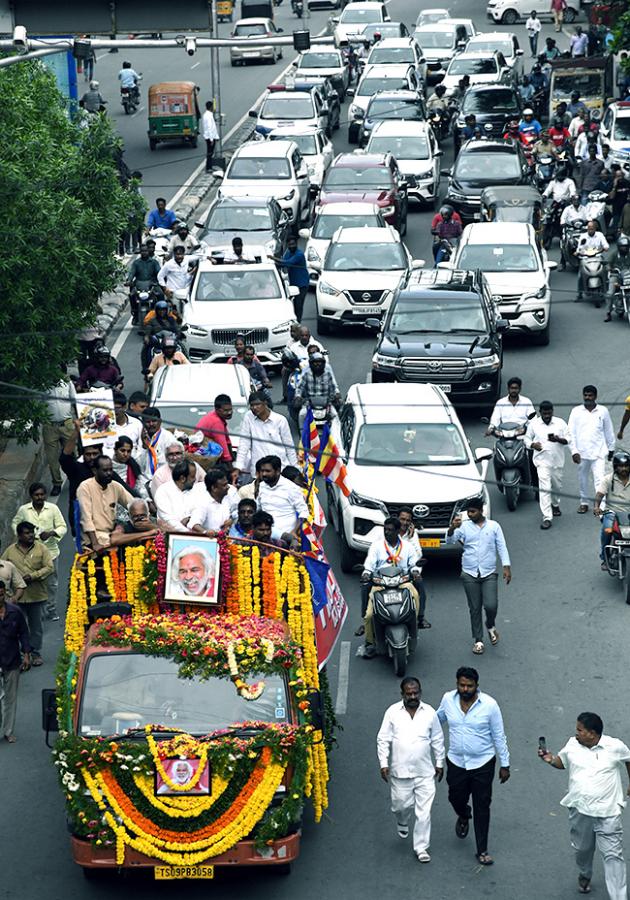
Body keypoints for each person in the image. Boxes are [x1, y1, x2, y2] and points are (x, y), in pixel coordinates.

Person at [539, 712, 630, 898]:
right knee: (582, 850)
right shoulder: (572, 744)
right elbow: (562, 762)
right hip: (580, 811)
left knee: (613, 857)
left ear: (592, 733)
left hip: (608, 812)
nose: (576, 733)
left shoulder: (615, 746)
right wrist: (550, 759)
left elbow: (628, 760)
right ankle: (585, 873)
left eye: (580, 730)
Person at [437, 667, 510, 867]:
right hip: (456, 762)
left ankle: (482, 849)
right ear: (457, 684)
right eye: (462, 685)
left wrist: (505, 764)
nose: (466, 689)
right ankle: (463, 814)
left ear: (477, 686)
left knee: (482, 805)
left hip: (483, 763)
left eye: (470, 686)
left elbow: (499, 735)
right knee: (455, 797)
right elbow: (437, 721)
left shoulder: (490, 705)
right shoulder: (447, 700)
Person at [376, 677, 445, 863]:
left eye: (416, 693)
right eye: (409, 694)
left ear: (420, 692)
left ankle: (421, 848)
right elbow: (383, 739)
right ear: (402, 694)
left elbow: (437, 739)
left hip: (425, 772)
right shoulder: (392, 712)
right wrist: (384, 763)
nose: (413, 696)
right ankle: (402, 820)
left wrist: (439, 762)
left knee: (424, 813)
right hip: (400, 772)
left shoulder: (430, 713)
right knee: (400, 806)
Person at [446, 498, 511, 655]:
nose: (470, 514)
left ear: (481, 511)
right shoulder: (463, 527)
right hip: (469, 573)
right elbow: (449, 541)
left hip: (489, 573)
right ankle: (479, 640)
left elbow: (501, 546)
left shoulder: (494, 526)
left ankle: (490, 624)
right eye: (468, 512)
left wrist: (506, 566)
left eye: (473, 511)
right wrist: (451, 528)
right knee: (474, 608)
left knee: (491, 605)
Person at [360, 517, 421, 657]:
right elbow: (369, 565)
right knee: (369, 615)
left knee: (415, 596)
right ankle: (370, 642)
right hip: (380, 584)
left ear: (398, 531)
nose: (387, 533)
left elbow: (414, 564)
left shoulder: (408, 547)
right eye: (385, 530)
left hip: (402, 583)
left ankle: (414, 626)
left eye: (390, 530)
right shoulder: (377, 546)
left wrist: (415, 571)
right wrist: (366, 573)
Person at [12, 484, 66, 622]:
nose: (39, 497)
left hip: (51, 552)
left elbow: (62, 526)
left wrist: (51, 533)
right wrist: (23, 536)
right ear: (31, 496)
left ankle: (51, 609)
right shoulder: (24, 510)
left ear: (45, 495)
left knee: (52, 583)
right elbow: (15, 523)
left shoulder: (53, 509)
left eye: (42, 494)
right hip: (30, 554)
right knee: (34, 582)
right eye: (36, 495)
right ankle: (36, 611)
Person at [2, 523, 53, 667]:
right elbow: (3, 568)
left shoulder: (41, 548)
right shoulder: (10, 551)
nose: (31, 535)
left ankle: (35, 653)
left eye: (32, 532)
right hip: (16, 598)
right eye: (26, 533)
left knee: (36, 627)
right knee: (17, 627)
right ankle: (21, 654)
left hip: (36, 595)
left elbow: (49, 567)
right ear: (19, 535)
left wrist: (33, 576)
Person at [568, 385, 615, 513]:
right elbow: (570, 433)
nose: (588, 397)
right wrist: (574, 451)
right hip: (581, 453)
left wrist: (611, 448)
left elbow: (608, 430)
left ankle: (601, 506)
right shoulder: (576, 411)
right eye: (586, 395)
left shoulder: (603, 411)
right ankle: (584, 502)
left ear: (595, 396)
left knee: (600, 479)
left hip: (599, 452)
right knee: (582, 479)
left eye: (590, 395)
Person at [524, 401, 569, 529]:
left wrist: (558, 439)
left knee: (556, 487)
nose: (547, 415)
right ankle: (547, 517)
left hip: (557, 462)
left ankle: (555, 504)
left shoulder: (560, 423)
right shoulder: (534, 424)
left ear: (552, 411)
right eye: (545, 413)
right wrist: (533, 445)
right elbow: (526, 439)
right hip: (541, 462)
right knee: (545, 488)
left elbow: (569, 439)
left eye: (549, 413)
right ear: (540, 412)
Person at [234, 392, 297, 479]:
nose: (254, 408)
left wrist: (295, 468)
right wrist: (238, 466)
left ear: (265, 403)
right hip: (260, 473)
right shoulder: (248, 417)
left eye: (257, 404)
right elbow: (244, 444)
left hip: (279, 470)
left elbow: (289, 446)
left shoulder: (280, 420)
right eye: (252, 405)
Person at [77, 455, 133, 551]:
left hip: (113, 534)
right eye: (105, 470)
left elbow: (133, 504)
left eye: (111, 470)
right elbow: (86, 518)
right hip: (94, 538)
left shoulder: (115, 486)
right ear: (95, 471)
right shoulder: (85, 487)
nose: (109, 473)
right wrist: (95, 544)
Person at [0, 580, 31, 743]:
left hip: (12, 660)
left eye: (1, 593)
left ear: (5, 593)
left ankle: (8, 731)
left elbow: (24, 633)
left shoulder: (15, 612)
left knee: (10, 698)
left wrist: (26, 654)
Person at [256, 455, 308, 544]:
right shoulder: (261, 486)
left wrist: (294, 532)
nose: (264, 474)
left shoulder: (291, 488)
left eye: (267, 471)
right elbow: (258, 508)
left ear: (278, 471)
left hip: (286, 540)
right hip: (264, 538)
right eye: (262, 471)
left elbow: (304, 512)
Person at [594, 451, 630, 572]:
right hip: (611, 513)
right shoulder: (608, 479)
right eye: (621, 466)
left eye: (626, 466)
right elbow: (599, 495)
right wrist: (596, 507)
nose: (624, 469)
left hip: (629, 514)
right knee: (607, 529)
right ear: (615, 467)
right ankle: (605, 557)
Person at [42, 371, 76, 495]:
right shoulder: (42, 385)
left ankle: (75, 479)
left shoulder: (67, 383)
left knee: (72, 454)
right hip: (50, 426)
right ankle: (57, 483)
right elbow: (37, 404)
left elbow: (75, 400)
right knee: (52, 458)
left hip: (67, 425)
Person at [398, 507, 430, 629]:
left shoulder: (412, 535)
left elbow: (418, 555)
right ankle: (366, 621)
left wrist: (411, 538)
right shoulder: (389, 532)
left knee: (420, 588)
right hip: (389, 572)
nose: (404, 523)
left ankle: (420, 618)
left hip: (408, 571)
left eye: (407, 520)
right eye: (402, 519)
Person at [189, 468, 237, 536]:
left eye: (227, 484)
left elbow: (237, 511)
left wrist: (231, 520)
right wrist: (205, 532)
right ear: (214, 488)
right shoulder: (203, 503)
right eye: (224, 485)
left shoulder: (229, 498)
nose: (228, 487)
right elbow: (193, 524)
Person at [293, 353, 341, 420]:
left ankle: (335, 430)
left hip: (326, 403)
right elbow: (299, 388)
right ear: (311, 364)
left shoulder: (328, 374)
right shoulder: (307, 374)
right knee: (302, 415)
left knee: (335, 415)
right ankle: (302, 430)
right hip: (309, 403)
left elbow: (334, 387)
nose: (318, 365)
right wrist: (298, 396)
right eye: (315, 363)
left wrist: (337, 394)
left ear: (323, 364)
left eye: (320, 362)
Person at [154, 460, 198, 532]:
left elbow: (198, 514)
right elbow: (169, 521)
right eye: (192, 477)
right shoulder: (163, 491)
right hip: (172, 536)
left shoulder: (195, 489)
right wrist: (190, 533)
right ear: (182, 478)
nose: (195, 479)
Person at [195, 395, 236, 467]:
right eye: (226, 410)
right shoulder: (216, 422)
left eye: (230, 409)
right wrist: (231, 468)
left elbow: (227, 441)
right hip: (206, 457)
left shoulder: (217, 416)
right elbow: (224, 449)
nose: (229, 412)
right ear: (217, 410)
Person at [126, 244, 161, 325]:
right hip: (139, 284)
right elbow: (131, 273)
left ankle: (160, 314)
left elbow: (159, 273)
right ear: (140, 252)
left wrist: (160, 280)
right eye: (142, 251)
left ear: (148, 251)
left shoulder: (154, 262)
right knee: (131, 295)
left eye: (145, 251)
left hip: (152, 284)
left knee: (160, 294)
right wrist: (129, 281)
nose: (144, 253)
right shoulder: (136, 263)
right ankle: (135, 314)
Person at [575, 220, 609, 301]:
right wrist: (577, 252)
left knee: (606, 272)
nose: (590, 230)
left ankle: (606, 290)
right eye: (589, 228)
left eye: (592, 228)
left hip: (598, 257)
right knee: (580, 276)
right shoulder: (583, 236)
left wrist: (605, 247)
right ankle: (579, 294)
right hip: (585, 258)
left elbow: (605, 244)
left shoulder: (600, 235)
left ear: (595, 228)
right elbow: (579, 248)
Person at [138, 407, 176, 479]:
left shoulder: (168, 438)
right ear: (143, 423)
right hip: (145, 480)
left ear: (160, 421)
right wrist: (144, 447)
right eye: (148, 422)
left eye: (154, 421)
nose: (151, 424)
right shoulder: (140, 438)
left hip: (165, 479)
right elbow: (139, 466)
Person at [281, 236, 309, 322]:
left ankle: (298, 323)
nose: (291, 246)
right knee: (291, 305)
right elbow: (283, 264)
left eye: (293, 244)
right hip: (293, 283)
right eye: (289, 244)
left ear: (296, 244)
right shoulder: (288, 253)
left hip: (302, 284)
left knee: (298, 305)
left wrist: (273, 258)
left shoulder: (299, 254)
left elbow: (287, 262)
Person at [605, 234, 630, 321]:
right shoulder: (614, 254)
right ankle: (608, 313)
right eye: (623, 247)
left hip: (627, 276)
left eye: (626, 247)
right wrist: (609, 268)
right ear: (619, 247)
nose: (625, 249)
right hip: (616, 276)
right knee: (610, 293)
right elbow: (608, 263)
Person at [201, 100, 219, 172]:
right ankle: (208, 168)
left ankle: (210, 166)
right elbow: (209, 128)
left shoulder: (208, 115)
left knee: (210, 153)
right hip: (209, 137)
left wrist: (216, 137)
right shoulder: (208, 116)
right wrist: (212, 139)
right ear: (211, 107)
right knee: (209, 153)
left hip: (210, 137)